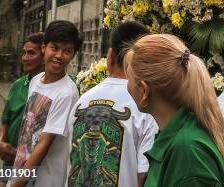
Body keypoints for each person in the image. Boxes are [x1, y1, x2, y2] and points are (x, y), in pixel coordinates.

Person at [124, 34, 224, 187]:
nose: (127, 86)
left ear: (144, 91)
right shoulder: (180, 137)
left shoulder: (187, 154)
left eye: (129, 79)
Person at [68, 21, 158, 187]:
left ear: (109, 56)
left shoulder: (81, 102)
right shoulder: (147, 107)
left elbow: (72, 162)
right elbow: (142, 176)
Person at [10, 21, 81, 187]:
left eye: (67, 51)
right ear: (44, 48)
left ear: (73, 55)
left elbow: (44, 144)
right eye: (54, 48)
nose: (59, 55)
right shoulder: (35, 81)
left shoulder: (67, 93)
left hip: (46, 179)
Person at [0, 33, 45, 184]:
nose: (24, 58)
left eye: (31, 53)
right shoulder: (18, 85)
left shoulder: (53, 89)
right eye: (24, 52)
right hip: (10, 164)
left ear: (44, 56)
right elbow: (6, 120)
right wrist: (1, 142)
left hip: (37, 167)